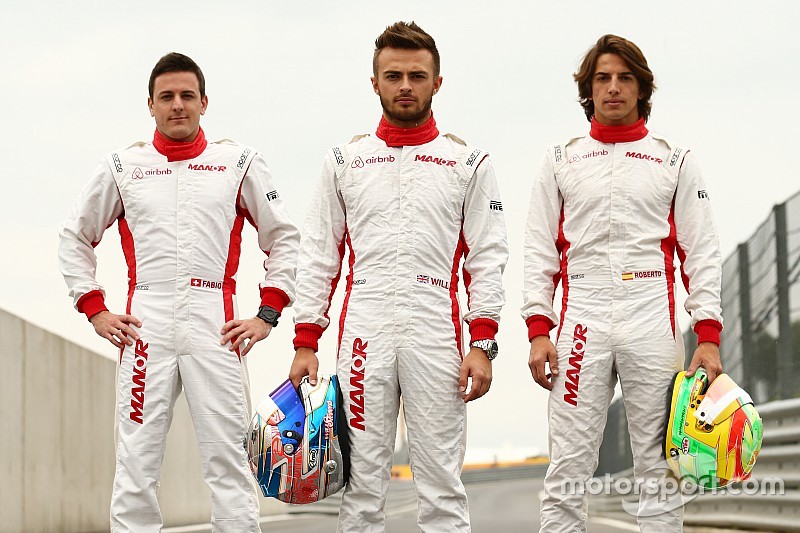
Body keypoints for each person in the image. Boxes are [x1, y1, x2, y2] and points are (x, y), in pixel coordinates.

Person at [58, 52, 299, 533]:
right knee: (136, 463)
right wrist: (96, 310)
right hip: (144, 325)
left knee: (230, 461)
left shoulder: (239, 162)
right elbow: (74, 236)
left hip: (218, 326)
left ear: (204, 102)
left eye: (187, 95)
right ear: (150, 105)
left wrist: (267, 314)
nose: (177, 105)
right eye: (166, 97)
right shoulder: (123, 166)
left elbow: (284, 237)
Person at [288, 21, 508, 532]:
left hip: (438, 334)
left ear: (437, 82)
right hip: (364, 331)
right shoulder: (345, 160)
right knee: (362, 488)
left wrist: (483, 343)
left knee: (442, 488)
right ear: (375, 83)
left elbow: (487, 257)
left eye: (416, 75)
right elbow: (320, 254)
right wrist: (306, 340)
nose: (405, 85)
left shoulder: (468, 162)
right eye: (393, 75)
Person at [522, 34, 723, 532]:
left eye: (625, 77)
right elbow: (538, 250)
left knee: (661, 469)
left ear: (641, 87)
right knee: (568, 468)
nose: (613, 88)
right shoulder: (560, 159)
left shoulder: (675, 159)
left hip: (651, 315)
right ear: (588, 89)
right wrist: (538, 329)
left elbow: (701, 253)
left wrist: (709, 337)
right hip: (581, 320)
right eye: (602, 78)